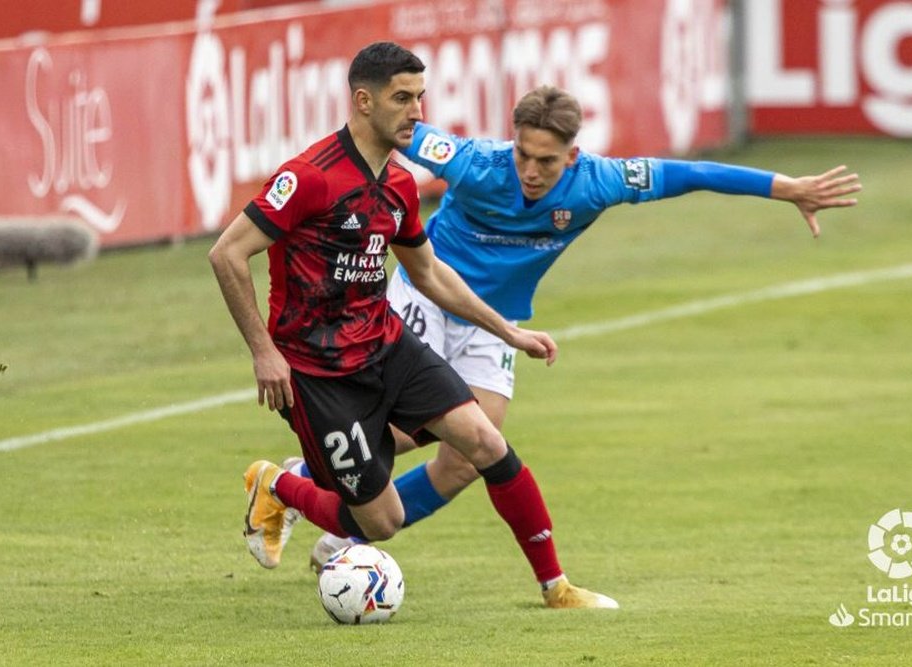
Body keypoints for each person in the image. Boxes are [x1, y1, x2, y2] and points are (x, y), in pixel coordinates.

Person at [301, 84, 862, 565]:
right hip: (429, 295)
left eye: (547, 160)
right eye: (523, 154)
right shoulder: (472, 162)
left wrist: (786, 188)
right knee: (398, 434)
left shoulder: (601, 182)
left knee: (469, 459)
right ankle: (301, 478)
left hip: (497, 323)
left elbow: (691, 173)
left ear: (572, 155)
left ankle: (337, 535)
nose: (530, 170)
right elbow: (386, 127)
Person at [208, 43, 617, 610]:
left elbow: (429, 274)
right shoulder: (309, 178)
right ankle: (277, 483)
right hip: (317, 372)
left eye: (420, 97)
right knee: (381, 522)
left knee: (484, 442)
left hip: (386, 345)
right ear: (363, 100)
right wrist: (263, 353)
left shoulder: (399, 186)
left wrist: (509, 332)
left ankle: (556, 586)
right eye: (402, 98)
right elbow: (227, 254)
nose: (417, 112)